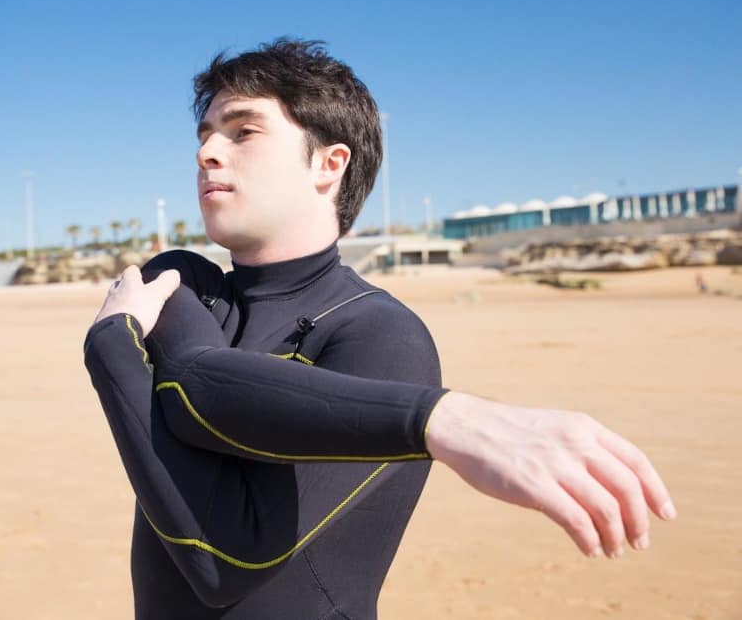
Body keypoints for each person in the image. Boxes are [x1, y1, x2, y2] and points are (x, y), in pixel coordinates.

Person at [83, 38, 675, 619]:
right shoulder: (179, 282)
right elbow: (196, 386)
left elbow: (224, 560)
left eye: (243, 131)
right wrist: (437, 419)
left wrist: (117, 347)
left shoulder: (380, 336)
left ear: (328, 164)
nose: (208, 151)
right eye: (205, 134)